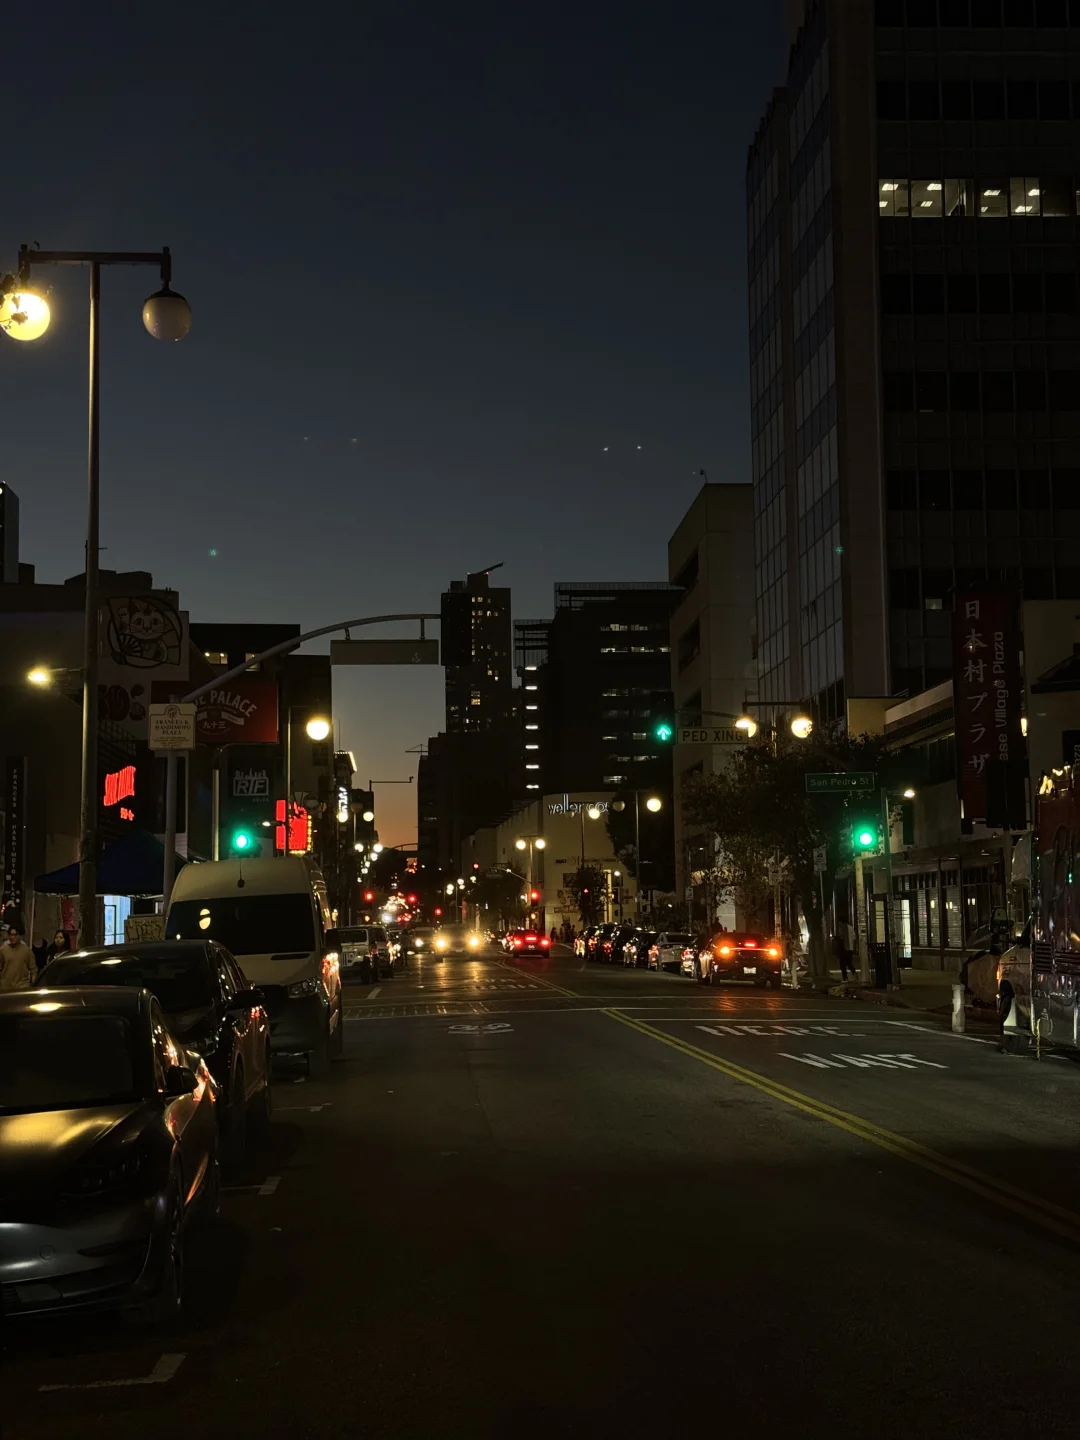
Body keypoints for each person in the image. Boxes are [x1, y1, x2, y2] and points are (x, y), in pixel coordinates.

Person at [0, 924, 37, 992]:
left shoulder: (27, 950)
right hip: (5, 987)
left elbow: (33, 970)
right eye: (10, 935)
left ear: (20, 936)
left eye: (15, 935)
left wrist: (33, 986)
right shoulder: (3, 950)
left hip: (22, 987)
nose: (12, 937)